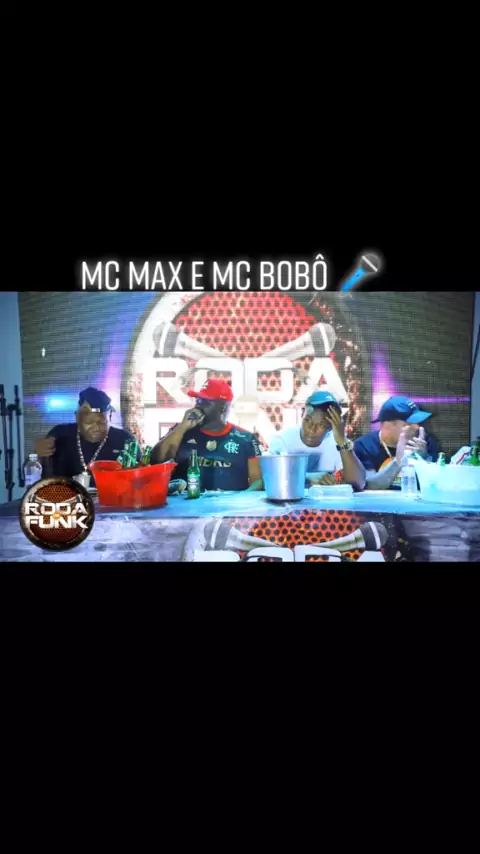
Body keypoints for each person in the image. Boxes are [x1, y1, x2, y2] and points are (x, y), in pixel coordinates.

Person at [150, 378, 263, 491]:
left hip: (229, 502)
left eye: (205, 402)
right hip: (185, 501)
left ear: (223, 408)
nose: (198, 406)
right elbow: (156, 460)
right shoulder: (181, 431)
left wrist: (240, 498)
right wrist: (182, 427)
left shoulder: (246, 439)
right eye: (198, 401)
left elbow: (258, 481)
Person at [34, 387, 141, 483]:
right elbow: (36, 476)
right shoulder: (59, 435)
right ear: (77, 418)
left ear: (110, 417)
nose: (96, 427)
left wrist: (136, 471)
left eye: (101, 422)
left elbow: (139, 480)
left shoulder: (126, 441)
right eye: (89, 422)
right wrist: (37, 455)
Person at [267, 391, 366, 491]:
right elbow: (266, 479)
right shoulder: (282, 440)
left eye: (321, 425)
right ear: (302, 415)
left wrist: (341, 441)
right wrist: (307, 479)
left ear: (330, 427)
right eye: (308, 420)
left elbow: (359, 483)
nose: (312, 429)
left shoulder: (337, 443)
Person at [353, 395, 440, 490]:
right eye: (409, 423)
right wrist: (398, 461)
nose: (416, 427)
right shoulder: (364, 446)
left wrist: (424, 459)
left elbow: (437, 485)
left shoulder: (425, 442)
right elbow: (369, 485)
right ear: (390, 425)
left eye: (417, 423)